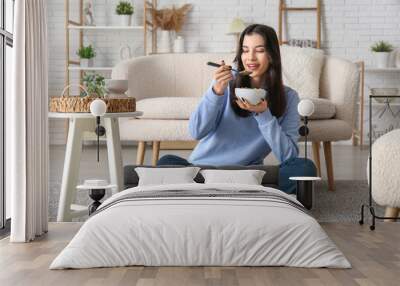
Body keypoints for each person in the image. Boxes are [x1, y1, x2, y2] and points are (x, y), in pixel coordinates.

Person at [157, 24, 316, 194]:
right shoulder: (224, 83)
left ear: (272, 55)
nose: (251, 57)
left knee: (304, 167)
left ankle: (278, 204)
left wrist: (263, 114)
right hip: (202, 171)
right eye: (245, 50)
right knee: (167, 162)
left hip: (246, 175)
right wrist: (215, 92)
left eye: (259, 50)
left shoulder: (289, 97)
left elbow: (289, 156)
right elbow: (196, 132)